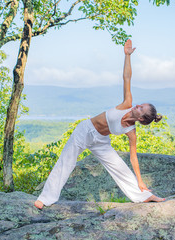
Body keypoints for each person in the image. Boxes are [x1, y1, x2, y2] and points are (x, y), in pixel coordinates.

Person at [34, 39, 165, 209]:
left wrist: (141, 181)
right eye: (140, 104)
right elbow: (127, 77)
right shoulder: (126, 103)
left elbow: (134, 158)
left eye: (141, 108)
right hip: (85, 130)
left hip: (101, 142)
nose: (137, 105)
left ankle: (144, 195)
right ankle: (45, 198)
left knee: (120, 167)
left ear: (141, 119)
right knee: (67, 161)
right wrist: (127, 56)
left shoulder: (131, 131)